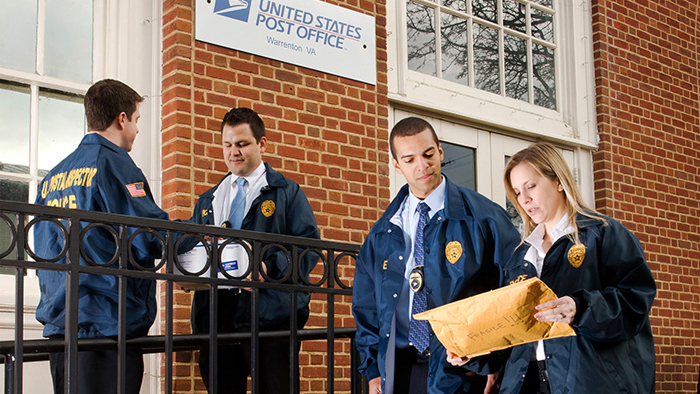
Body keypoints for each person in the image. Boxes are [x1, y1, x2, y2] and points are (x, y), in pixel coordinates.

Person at [352, 116, 521, 394]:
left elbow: (511, 290)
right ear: (396, 165)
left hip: (464, 369)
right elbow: (367, 306)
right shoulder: (383, 232)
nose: (422, 166)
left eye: (428, 154)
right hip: (400, 367)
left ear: (440, 151)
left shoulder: (484, 216)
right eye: (409, 159)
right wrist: (372, 370)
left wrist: (496, 360)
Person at [34, 79, 172, 394]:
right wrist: (200, 240)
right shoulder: (113, 163)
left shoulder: (54, 175)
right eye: (136, 120)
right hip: (106, 324)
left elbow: (43, 248)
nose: (137, 130)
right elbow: (147, 235)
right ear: (121, 118)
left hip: (62, 326)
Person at [498, 142, 656, 393]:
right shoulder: (520, 255)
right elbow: (511, 331)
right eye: (517, 192)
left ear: (559, 181)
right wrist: (470, 353)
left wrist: (580, 308)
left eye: (531, 186)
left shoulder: (603, 234)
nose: (524, 199)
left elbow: (635, 302)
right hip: (528, 383)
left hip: (590, 382)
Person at [188, 107, 320, 393]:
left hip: (270, 316)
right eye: (227, 144)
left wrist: (269, 268)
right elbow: (192, 244)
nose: (233, 152)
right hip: (217, 316)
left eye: (242, 144)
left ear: (262, 144)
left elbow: (308, 248)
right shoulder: (209, 199)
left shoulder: (286, 192)